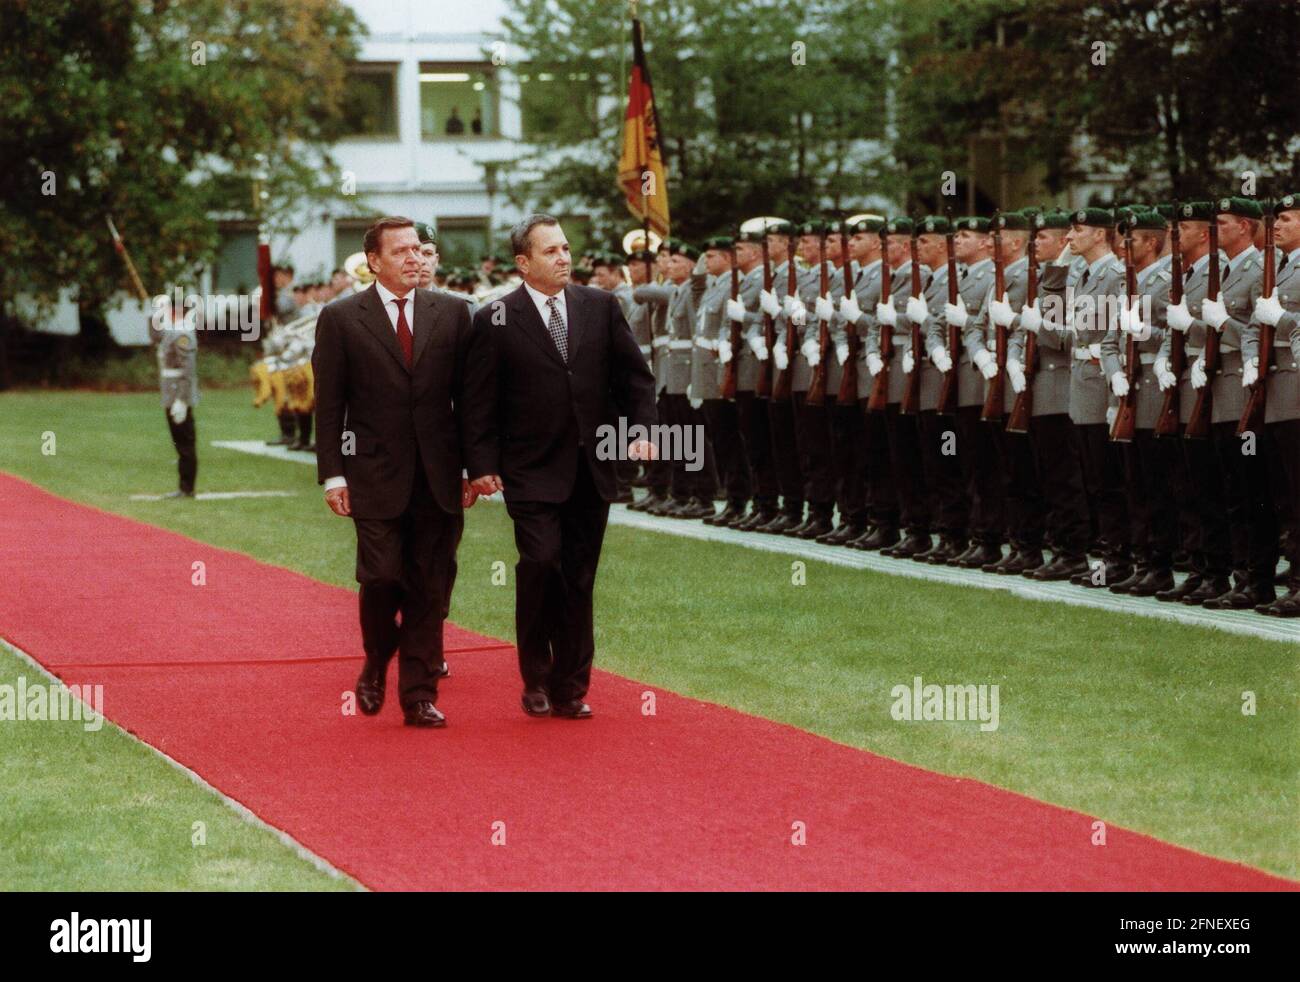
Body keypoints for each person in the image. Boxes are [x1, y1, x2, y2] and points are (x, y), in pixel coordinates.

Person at [469, 214, 657, 719]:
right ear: (523, 262)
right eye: (550, 251)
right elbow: (479, 402)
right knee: (540, 563)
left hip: (592, 468)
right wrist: (482, 464)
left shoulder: (600, 306)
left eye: (566, 248)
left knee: (578, 576)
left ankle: (570, 685)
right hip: (529, 470)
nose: (564, 258)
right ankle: (535, 676)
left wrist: (640, 430)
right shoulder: (495, 318)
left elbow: (635, 379)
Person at [313, 216, 495, 728]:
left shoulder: (456, 313)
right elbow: (329, 407)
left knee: (429, 587)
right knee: (382, 576)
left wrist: (475, 468)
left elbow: (473, 402)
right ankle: (377, 657)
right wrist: (334, 475)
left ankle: (418, 694)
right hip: (372, 475)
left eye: (419, 250)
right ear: (374, 261)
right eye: (402, 252)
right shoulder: (342, 318)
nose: (415, 258)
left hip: (440, 477)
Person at [150, 291, 200, 498]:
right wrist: (152, 314)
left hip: (178, 395)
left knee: (185, 443)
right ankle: (184, 486)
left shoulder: (182, 334)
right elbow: (154, 336)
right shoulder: (173, 330)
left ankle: (186, 488)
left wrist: (181, 399)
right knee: (180, 442)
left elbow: (187, 371)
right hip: (171, 394)